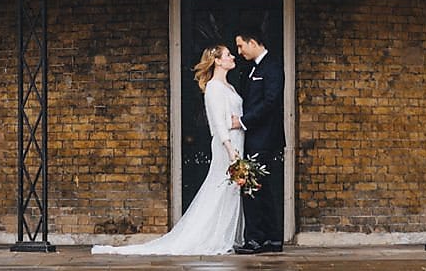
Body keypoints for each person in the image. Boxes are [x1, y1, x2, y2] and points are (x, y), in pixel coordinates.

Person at [94, 44, 244, 255]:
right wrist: (230, 149)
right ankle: (211, 236)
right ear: (217, 60)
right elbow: (218, 123)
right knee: (221, 187)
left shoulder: (230, 87)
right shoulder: (213, 87)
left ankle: (226, 234)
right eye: (228, 55)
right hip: (226, 144)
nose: (233, 57)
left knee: (232, 189)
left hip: (238, 140)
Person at [233, 30, 285, 253]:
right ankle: (270, 239)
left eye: (240, 46)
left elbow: (271, 102)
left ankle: (255, 240)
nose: (239, 51)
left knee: (254, 189)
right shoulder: (252, 68)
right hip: (254, 138)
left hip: (264, 139)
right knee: (260, 189)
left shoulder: (271, 67)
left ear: (252, 42)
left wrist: (244, 121)